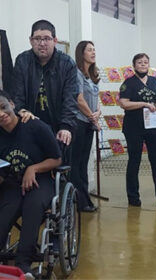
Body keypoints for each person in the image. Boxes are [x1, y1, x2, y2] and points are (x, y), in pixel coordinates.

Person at [0, 90, 61, 279]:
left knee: (32, 207)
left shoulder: (34, 126)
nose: (1, 114)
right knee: (7, 209)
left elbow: (57, 159)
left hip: (41, 179)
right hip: (12, 181)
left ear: (12, 103)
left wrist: (33, 168)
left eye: (3, 107)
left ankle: (23, 263)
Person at [12, 19, 78, 150]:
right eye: (37, 39)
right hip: (29, 123)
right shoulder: (22, 60)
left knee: (60, 163)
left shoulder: (67, 63)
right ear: (31, 40)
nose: (42, 43)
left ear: (55, 40)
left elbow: (70, 98)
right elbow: (17, 93)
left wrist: (65, 126)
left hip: (58, 125)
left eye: (47, 38)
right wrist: (21, 111)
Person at [118, 53, 156, 207]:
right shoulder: (128, 83)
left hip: (152, 126)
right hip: (134, 127)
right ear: (134, 66)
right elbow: (124, 104)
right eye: (140, 62)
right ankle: (133, 197)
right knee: (134, 160)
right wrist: (144, 104)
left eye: (146, 62)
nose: (143, 65)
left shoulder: (154, 81)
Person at [70, 41, 101, 212]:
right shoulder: (77, 74)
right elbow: (79, 99)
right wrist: (92, 117)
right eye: (89, 50)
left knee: (83, 163)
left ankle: (84, 199)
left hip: (90, 122)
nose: (93, 52)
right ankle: (80, 201)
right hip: (79, 123)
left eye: (94, 49)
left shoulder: (92, 74)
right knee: (76, 164)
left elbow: (96, 99)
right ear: (81, 53)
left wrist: (98, 113)